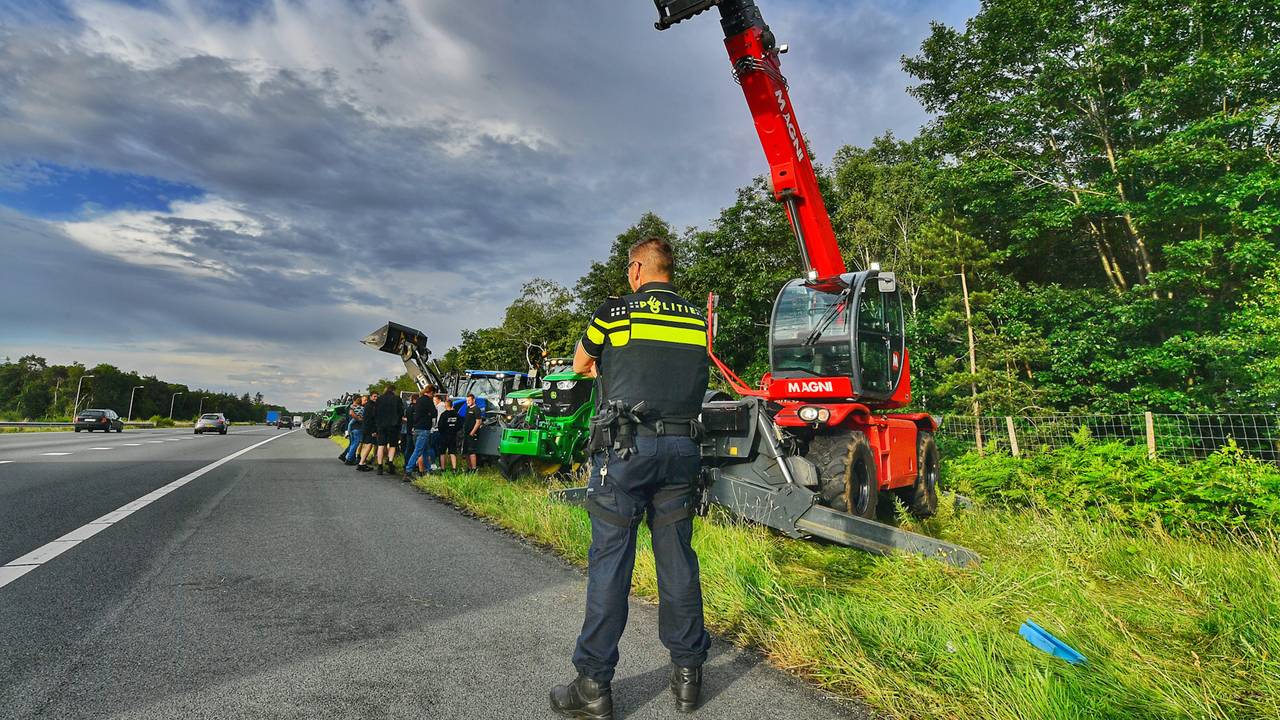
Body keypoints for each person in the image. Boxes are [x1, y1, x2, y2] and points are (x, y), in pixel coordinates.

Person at [551, 237, 711, 719]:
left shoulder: (615, 312)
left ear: (638, 268)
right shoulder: (696, 320)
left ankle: (593, 685)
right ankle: (687, 677)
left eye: (628, 268)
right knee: (678, 562)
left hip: (625, 451)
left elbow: (581, 365)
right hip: (682, 452)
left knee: (610, 565)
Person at [404, 386, 438, 481]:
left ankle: (428, 470)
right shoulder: (428, 400)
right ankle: (408, 471)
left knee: (425, 451)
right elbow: (434, 413)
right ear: (431, 392)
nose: (433, 395)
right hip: (424, 429)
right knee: (418, 451)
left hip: (416, 429)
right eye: (433, 393)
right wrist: (429, 414)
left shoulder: (419, 400)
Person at [373, 384, 405, 475]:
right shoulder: (397, 399)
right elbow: (401, 412)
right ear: (393, 390)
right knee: (392, 445)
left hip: (381, 426)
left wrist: (378, 424)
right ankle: (390, 463)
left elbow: (375, 413)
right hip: (393, 426)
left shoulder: (379, 399)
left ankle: (380, 466)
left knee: (381, 445)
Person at [356, 391, 380, 472]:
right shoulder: (371, 406)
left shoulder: (368, 405)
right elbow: (371, 419)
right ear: (370, 397)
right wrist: (373, 430)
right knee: (369, 445)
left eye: (377, 396)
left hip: (366, 428)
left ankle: (362, 462)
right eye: (374, 396)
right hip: (369, 429)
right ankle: (361, 463)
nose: (376, 398)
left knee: (367, 445)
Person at [436, 400, 461, 472]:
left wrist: (442, 432)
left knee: (442, 452)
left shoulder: (443, 415)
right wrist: (455, 430)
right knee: (453, 452)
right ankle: (454, 468)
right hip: (453, 435)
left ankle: (443, 468)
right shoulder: (456, 414)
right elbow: (460, 425)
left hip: (444, 435)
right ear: (452, 405)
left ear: (445, 405)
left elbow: (440, 426)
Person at [342, 396, 368, 465]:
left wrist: (347, 431)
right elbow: (352, 414)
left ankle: (347, 457)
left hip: (352, 428)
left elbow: (349, 416)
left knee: (352, 443)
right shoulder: (362, 408)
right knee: (355, 444)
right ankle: (349, 459)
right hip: (357, 427)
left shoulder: (351, 406)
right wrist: (359, 419)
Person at [462, 393, 484, 472]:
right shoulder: (468, 408)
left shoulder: (477, 409)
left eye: (469, 400)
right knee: (466, 452)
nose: (467, 402)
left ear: (473, 400)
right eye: (467, 400)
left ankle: (474, 469)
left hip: (473, 434)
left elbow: (478, 422)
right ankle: (469, 468)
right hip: (466, 433)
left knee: (472, 451)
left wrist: (472, 432)